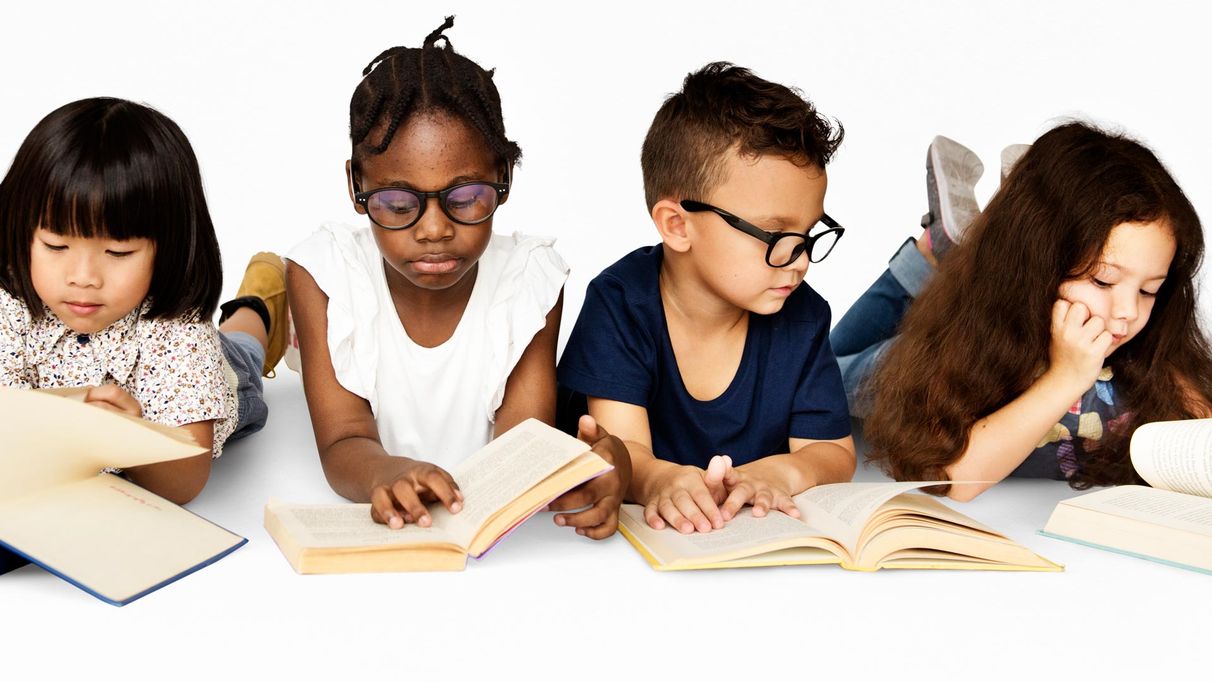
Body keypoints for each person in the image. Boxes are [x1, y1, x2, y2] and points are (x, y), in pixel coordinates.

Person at [285, 17, 629, 539]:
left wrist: (591, 469)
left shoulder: (530, 281)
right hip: (312, 314)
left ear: (504, 178)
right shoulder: (324, 275)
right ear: (356, 185)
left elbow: (520, 442)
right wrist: (385, 471)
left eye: (466, 198)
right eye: (398, 203)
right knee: (255, 350)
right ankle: (259, 308)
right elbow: (343, 441)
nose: (434, 230)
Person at [831, 122, 1212, 501]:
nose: (1127, 311)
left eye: (1149, 290)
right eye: (1102, 282)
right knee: (822, 367)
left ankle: (969, 245)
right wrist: (1067, 377)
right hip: (890, 369)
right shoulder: (964, 345)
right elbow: (953, 479)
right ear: (1036, 266)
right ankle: (934, 250)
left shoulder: (1158, 356)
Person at [557, 62, 856, 535]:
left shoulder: (802, 314)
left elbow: (834, 451)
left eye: (808, 233)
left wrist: (780, 472)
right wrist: (660, 479)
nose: (799, 259)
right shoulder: (620, 303)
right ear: (678, 225)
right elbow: (621, 448)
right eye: (777, 234)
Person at [0, 97, 288, 504]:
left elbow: (186, 482)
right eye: (55, 245)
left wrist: (131, 441)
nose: (83, 277)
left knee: (242, 345)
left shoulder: (179, 330)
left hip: (223, 381)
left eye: (117, 253)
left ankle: (263, 297)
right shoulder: (10, 305)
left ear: (169, 246)